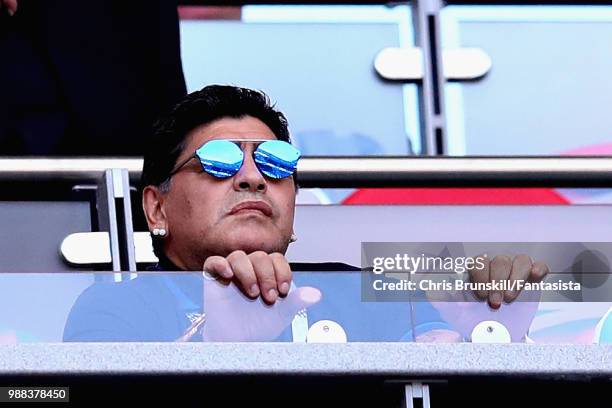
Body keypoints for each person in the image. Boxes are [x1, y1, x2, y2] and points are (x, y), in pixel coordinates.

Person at [63, 85, 549, 342]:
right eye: (220, 161)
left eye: (276, 163)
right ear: (156, 206)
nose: (254, 178)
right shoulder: (116, 309)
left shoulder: (362, 293)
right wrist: (217, 351)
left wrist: (488, 340)